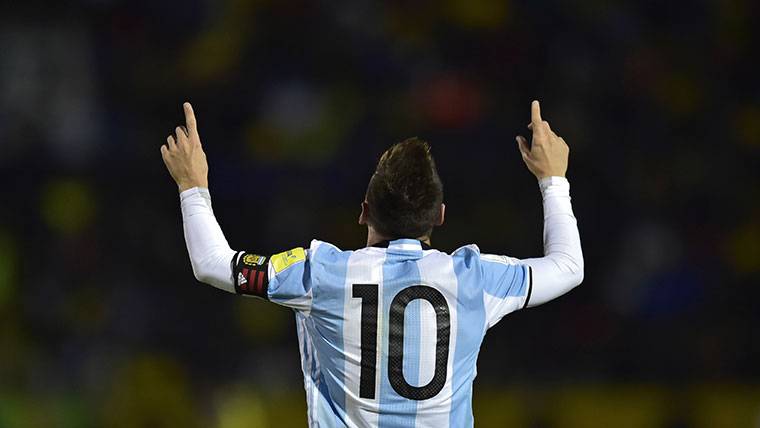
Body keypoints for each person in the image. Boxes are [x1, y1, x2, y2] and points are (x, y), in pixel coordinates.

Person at [160, 100, 583, 427]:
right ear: (439, 216)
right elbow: (568, 267)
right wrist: (553, 179)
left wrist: (192, 185)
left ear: (363, 211)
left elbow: (213, 264)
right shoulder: (473, 278)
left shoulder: (321, 274)